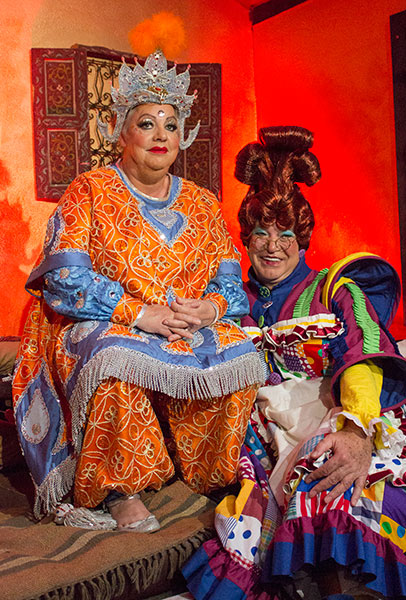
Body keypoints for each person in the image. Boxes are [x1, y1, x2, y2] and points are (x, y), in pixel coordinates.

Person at [12, 50, 264, 533]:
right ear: (121, 133)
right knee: (116, 356)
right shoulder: (90, 190)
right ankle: (119, 487)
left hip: (185, 324)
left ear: (182, 136)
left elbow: (232, 285)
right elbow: (65, 281)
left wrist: (210, 309)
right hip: (103, 322)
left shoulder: (203, 201)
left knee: (240, 349)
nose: (161, 135)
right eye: (147, 123)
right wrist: (137, 314)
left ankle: (210, 471)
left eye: (171, 125)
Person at [183, 126, 406, 599]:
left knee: (341, 492)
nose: (272, 246)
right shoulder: (231, 299)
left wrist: (354, 431)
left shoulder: (335, 288)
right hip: (265, 433)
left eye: (285, 233)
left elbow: (360, 352)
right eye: (261, 233)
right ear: (246, 237)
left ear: (303, 238)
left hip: (347, 410)